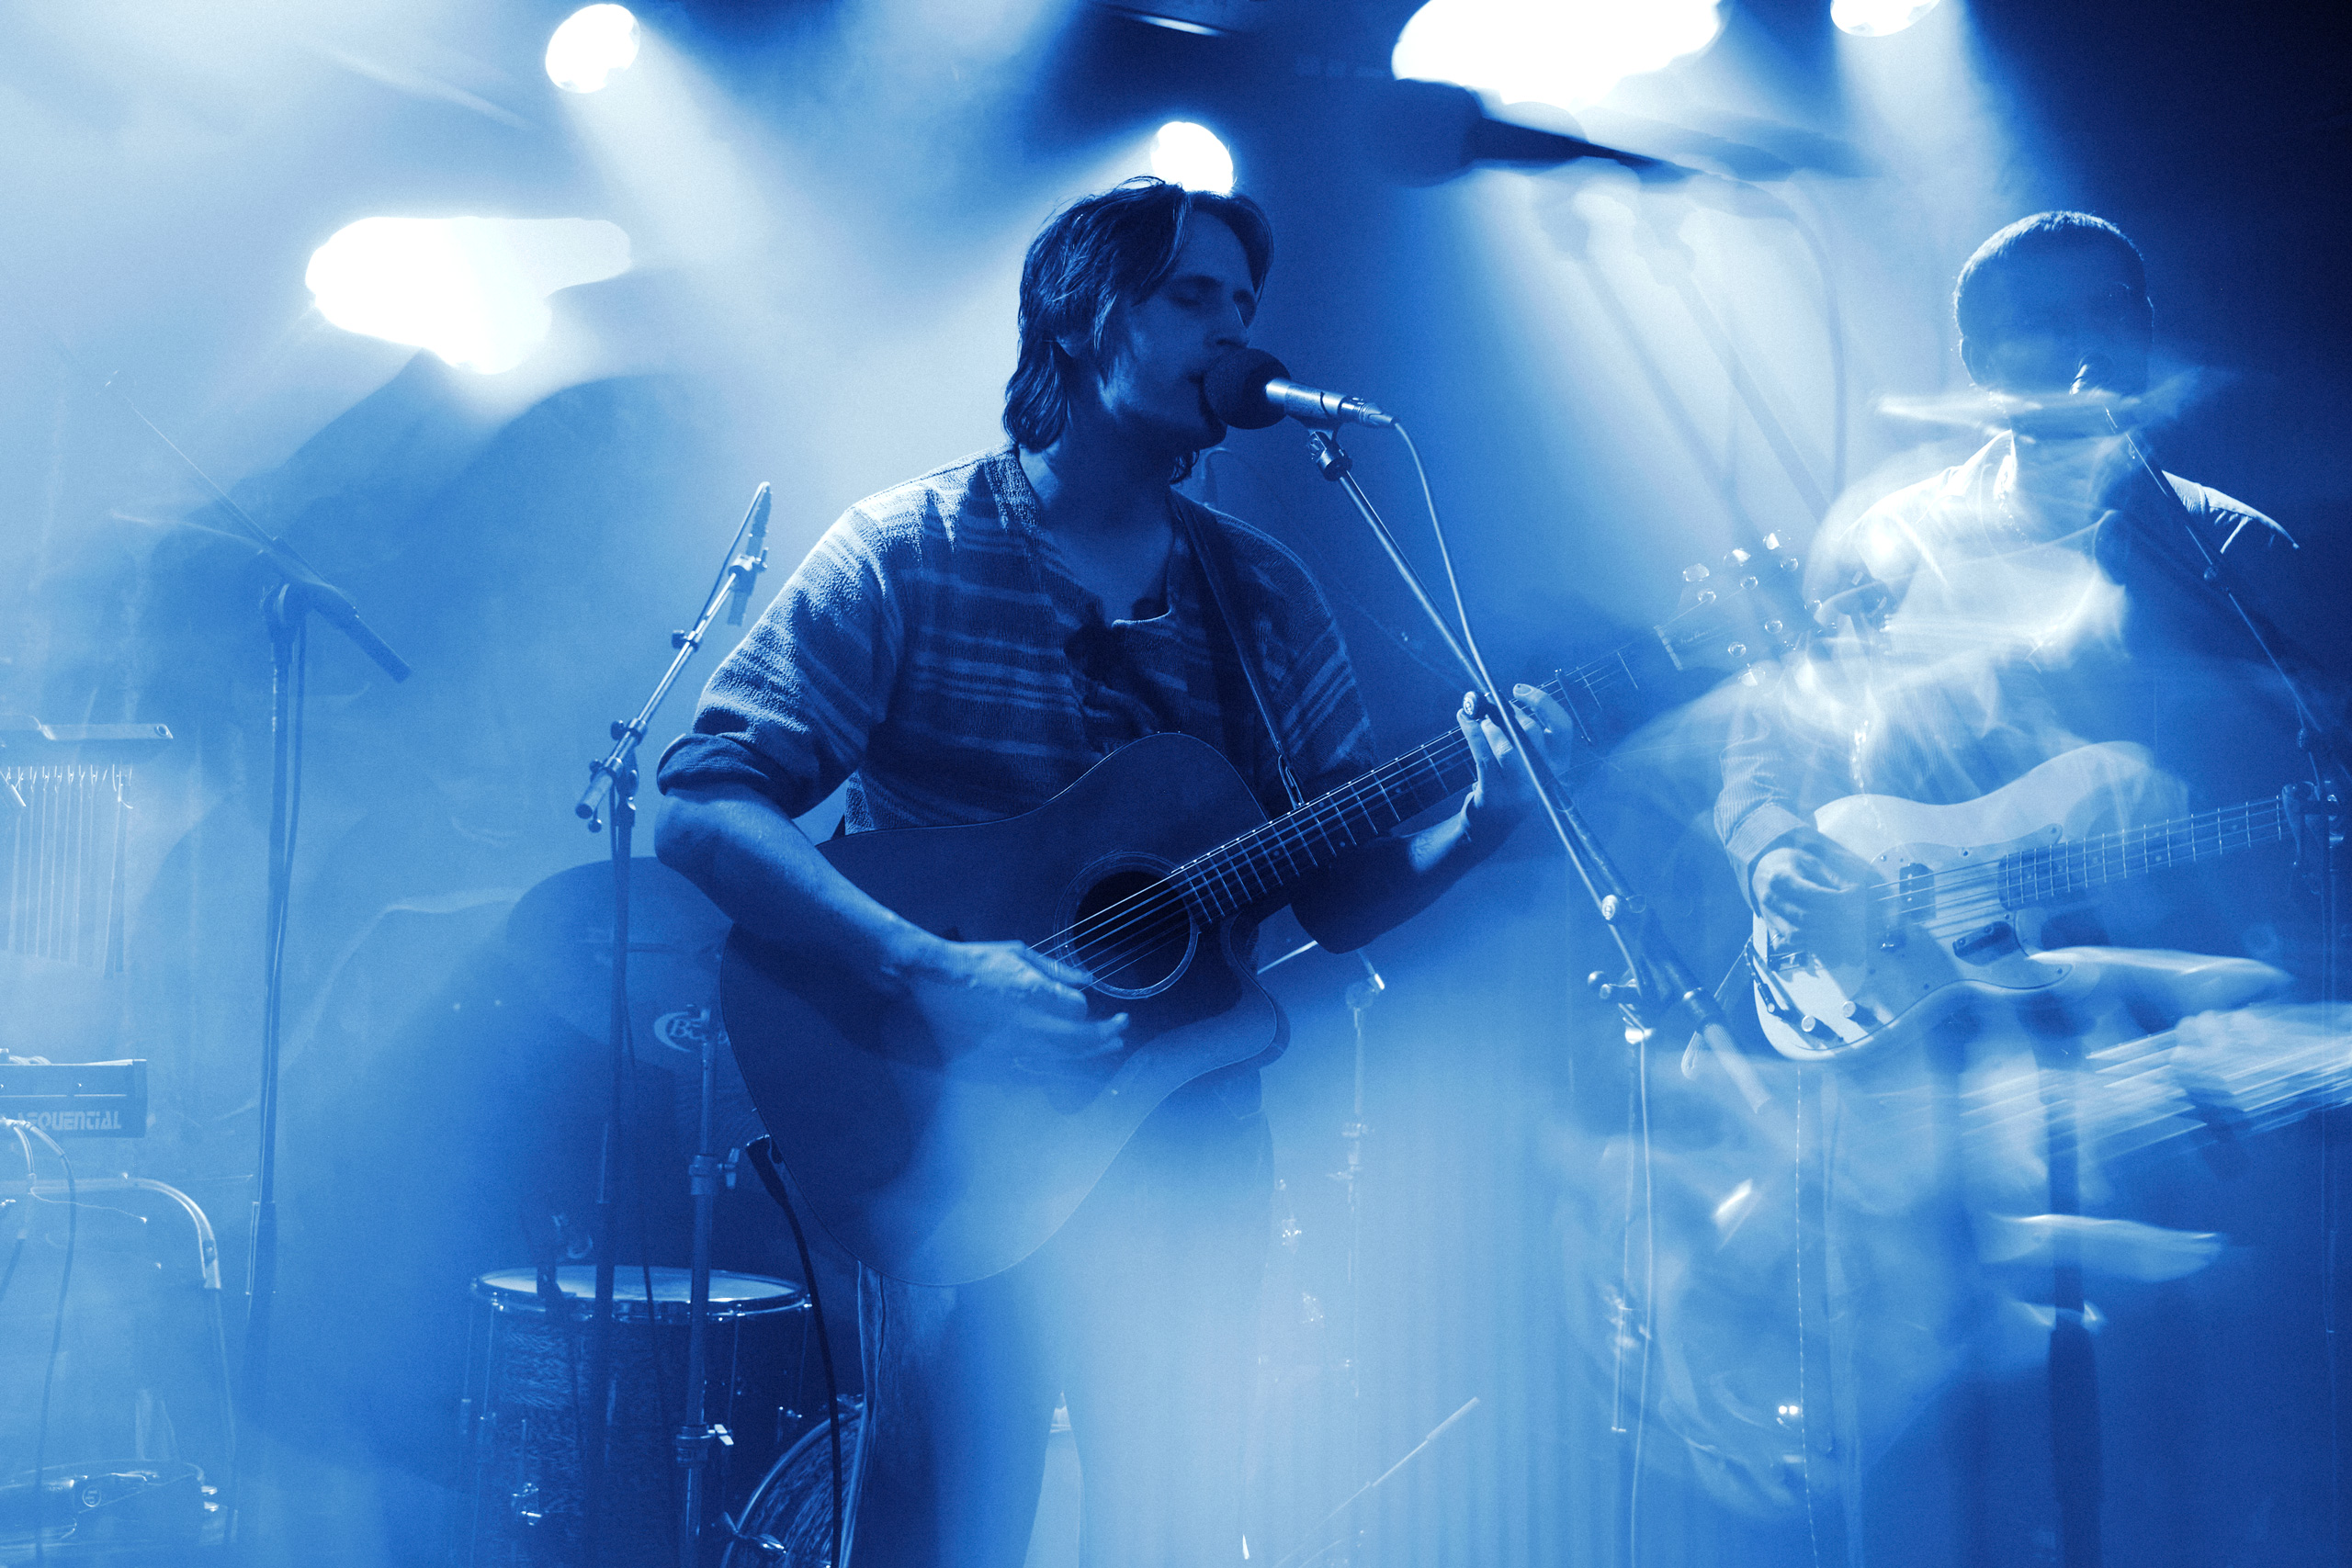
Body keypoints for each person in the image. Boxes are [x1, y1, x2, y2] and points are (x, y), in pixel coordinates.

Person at [655, 178, 1542, 1568]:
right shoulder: (907, 550)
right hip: (952, 1130)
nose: (1239, 335)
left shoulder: (1264, 594)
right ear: (1081, 318)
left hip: (1189, 1144)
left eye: (1246, 304)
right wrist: (931, 969)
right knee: (940, 1535)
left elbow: (1341, 889)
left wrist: (1476, 824)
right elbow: (705, 805)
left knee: (1181, 1533)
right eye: (1197, 297)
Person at [1708, 211, 2335, 1565]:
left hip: (2169, 1084)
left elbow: (2307, 825)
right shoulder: (1884, 546)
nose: (2087, 343)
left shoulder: (2237, 561)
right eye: (2046, 321)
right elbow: (1759, 768)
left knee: (2204, 1466)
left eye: (2115, 308)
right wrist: (1775, 860)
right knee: (1964, 1479)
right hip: (1933, 1074)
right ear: (1978, 356)